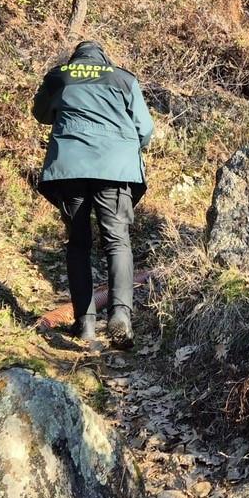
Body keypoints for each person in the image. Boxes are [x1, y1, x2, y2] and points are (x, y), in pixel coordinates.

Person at [32, 40, 153, 346]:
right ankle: (121, 315)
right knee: (117, 241)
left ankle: (84, 323)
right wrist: (124, 150)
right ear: (103, 58)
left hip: (71, 167)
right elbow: (145, 129)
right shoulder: (123, 78)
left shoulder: (60, 76)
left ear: (77, 57)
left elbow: (41, 113)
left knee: (78, 244)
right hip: (115, 168)